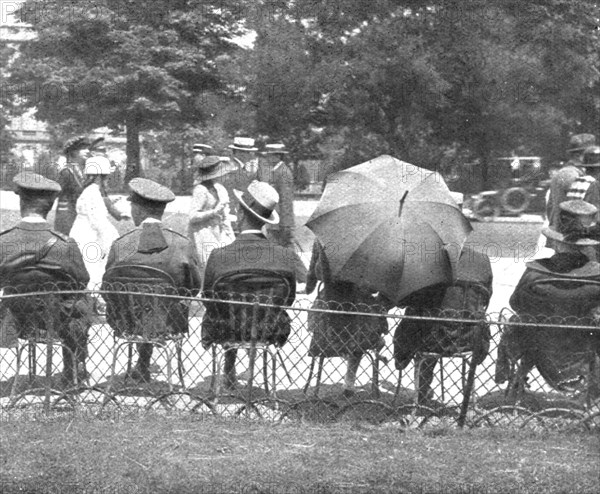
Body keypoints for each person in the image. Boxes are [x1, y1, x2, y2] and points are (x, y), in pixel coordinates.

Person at [393, 193, 493, 405]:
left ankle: (421, 390)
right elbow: (485, 299)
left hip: (429, 339)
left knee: (418, 319)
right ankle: (468, 399)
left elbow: (403, 301)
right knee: (429, 317)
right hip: (468, 338)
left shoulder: (422, 260)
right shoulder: (482, 261)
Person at [201, 180, 301, 389]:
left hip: (226, 328)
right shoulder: (284, 256)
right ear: (265, 219)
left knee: (225, 309)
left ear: (239, 211)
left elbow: (209, 299)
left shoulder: (219, 256)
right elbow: (288, 299)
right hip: (269, 329)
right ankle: (259, 370)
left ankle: (228, 368)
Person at [495, 200, 600, 397]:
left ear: (557, 241)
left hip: (539, 351)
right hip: (583, 353)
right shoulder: (596, 277)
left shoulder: (536, 274)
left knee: (523, 322)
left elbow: (515, 303)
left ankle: (515, 383)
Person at [102, 178, 202, 382]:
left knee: (144, 304)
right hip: (169, 322)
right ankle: (146, 364)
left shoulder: (122, 245)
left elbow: (107, 287)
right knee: (156, 305)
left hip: (127, 321)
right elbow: (194, 287)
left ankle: (142, 364)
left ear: (137, 210)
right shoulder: (182, 244)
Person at [0, 173, 91, 385]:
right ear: (49, 207)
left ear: (21, 201)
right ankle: (72, 371)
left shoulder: (4, 241)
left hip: (17, 320)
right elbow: (81, 281)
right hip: (59, 322)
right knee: (82, 301)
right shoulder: (65, 244)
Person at [305, 239, 389, 397]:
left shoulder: (323, 237)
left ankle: (321, 380)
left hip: (327, 322)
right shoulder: (370, 240)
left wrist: (310, 287)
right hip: (359, 320)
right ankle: (349, 381)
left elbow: (312, 277)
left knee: (343, 322)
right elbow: (374, 285)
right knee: (363, 324)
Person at [69, 157, 120, 306]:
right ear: (99, 176)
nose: (108, 179)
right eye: (106, 176)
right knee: (93, 268)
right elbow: (99, 222)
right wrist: (113, 239)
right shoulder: (93, 192)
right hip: (88, 235)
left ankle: (91, 300)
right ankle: (92, 302)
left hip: (85, 232)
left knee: (91, 266)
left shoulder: (91, 191)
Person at [258, 143, 307, 283]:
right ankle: (298, 277)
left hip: (281, 221)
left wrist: (284, 224)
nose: (267, 157)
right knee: (281, 250)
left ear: (278, 156)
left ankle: (302, 277)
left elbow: (285, 201)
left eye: (270, 155)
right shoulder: (276, 171)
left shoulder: (283, 172)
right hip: (275, 220)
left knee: (284, 251)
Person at [187, 155, 237, 281]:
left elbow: (224, 216)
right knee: (208, 266)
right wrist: (212, 212)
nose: (224, 176)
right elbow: (192, 216)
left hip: (218, 230)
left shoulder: (220, 189)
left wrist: (231, 236)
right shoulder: (200, 190)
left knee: (227, 261)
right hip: (202, 232)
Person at [545, 133, 596, 251]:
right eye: (590, 154)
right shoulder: (574, 176)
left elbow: (550, 207)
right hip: (572, 238)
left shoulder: (563, 173)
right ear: (579, 155)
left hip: (560, 235)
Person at [55, 135, 91, 234]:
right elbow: (55, 192)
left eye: (88, 148)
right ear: (74, 151)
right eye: (83, 148)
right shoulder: (66, 172)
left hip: (81, 216)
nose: (87, 151)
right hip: (67, 217)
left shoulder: (84, 172)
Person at [567, 145, 600, 217]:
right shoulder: (595, 184)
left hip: (574, 223)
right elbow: (596, 213)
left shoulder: (578, 181)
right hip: (589, 225)